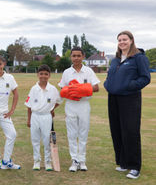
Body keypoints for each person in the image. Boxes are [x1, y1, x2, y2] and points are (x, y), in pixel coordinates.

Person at [104, 31, 150, 179]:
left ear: (131, 41)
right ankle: (123, 162)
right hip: (114, 98)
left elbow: (145, 78)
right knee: (117, 130)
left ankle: (134, 166)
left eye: (125, 39)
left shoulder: (139, 58)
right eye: (119, 40)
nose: (122, 42)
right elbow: (110, 76)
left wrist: (129, 85)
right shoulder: (116, 60)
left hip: (130, 99)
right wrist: (108, 84)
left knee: (130, 132)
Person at [58, 46, 100, 172]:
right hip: (71, 105)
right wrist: (71, 93)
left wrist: (82, 90)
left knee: (83, 133)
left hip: (84, 105)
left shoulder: (88, 71)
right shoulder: (66, 72)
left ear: (83, 57)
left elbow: (96, 88)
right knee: (72, 134)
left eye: (78, 56)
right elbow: (62, 90)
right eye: (74, 56)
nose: (76, 58)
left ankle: (82, 160)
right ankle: (74, 160)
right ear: (70, 57)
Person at [25, 64, 61, 171]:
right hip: (35, 116)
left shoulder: (53, 89)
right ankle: (36, 161)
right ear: (37, 75)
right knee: (35, 139)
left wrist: (52, 109)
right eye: (41, 74)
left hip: (46, 116)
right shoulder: (34, 89)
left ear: (49, 75)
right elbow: (29, 106)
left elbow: (58, 101)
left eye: (46, 74)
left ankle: (48, 161)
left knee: (46, 140)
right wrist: (28, 119)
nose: (43, 76)